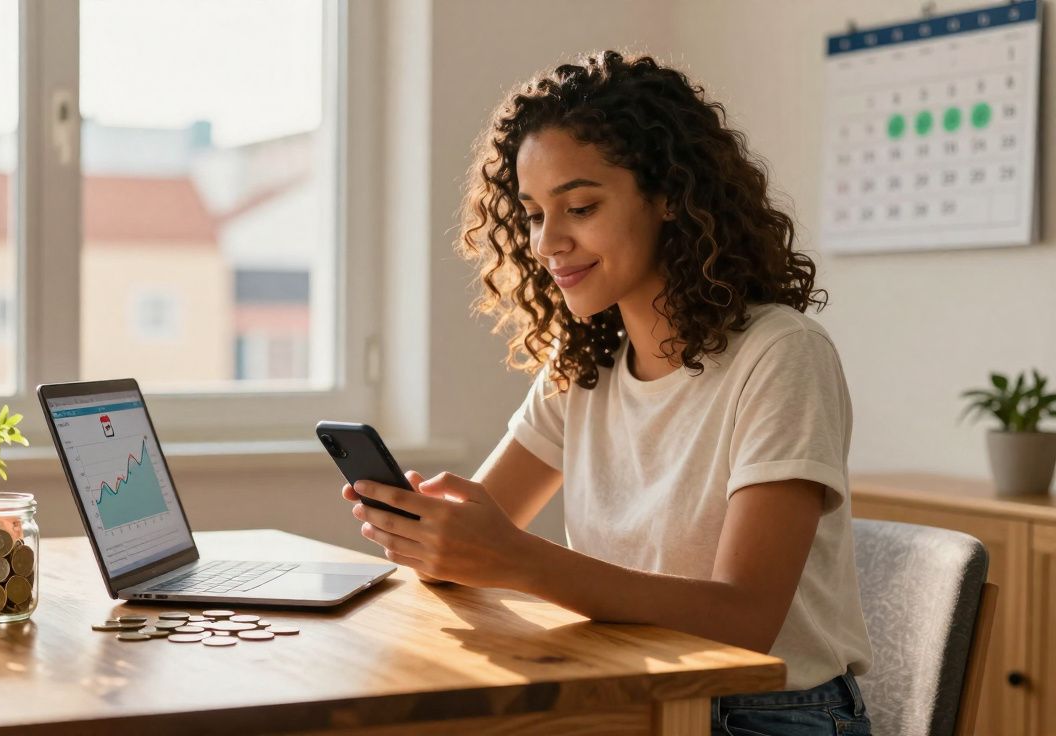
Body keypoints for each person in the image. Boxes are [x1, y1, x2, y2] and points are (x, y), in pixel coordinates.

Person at [340, 50, 873, 735]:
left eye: (581, 206)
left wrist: (515, 558)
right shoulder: (585, 363)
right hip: (628, 687)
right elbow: (484, 543)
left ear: (672, 194)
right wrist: (437, 538)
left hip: (768, 714)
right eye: (531, 214)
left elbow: (747, 620)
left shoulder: (781, 354)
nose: (546, 242)